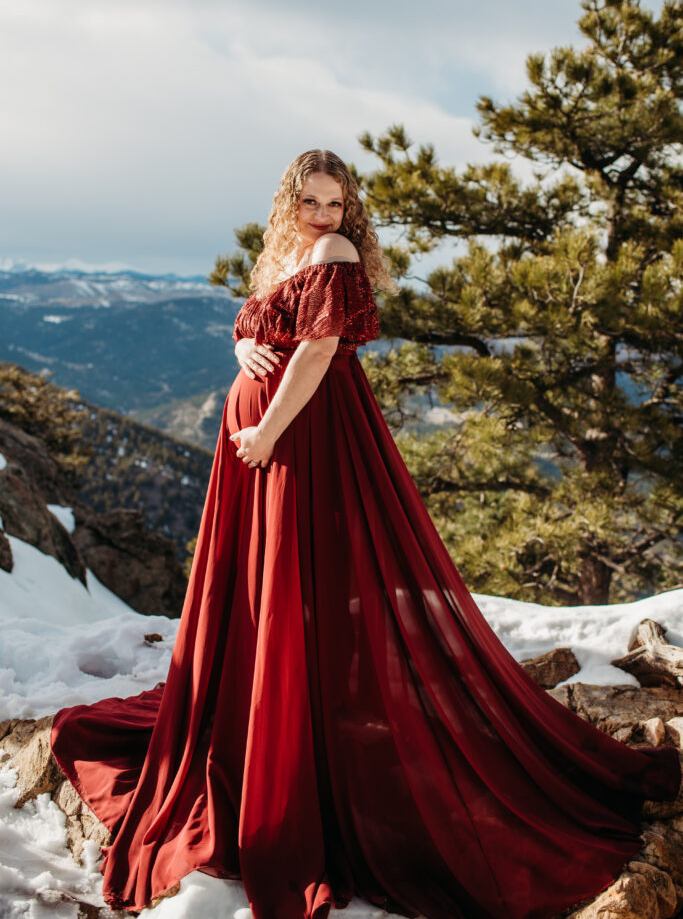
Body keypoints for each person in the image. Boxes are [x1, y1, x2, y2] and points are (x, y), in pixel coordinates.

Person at [50, 149, 681, 919]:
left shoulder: (333, 253)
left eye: (336, 203)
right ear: (290, 199)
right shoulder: (284, 250)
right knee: (266, 583)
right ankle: (274, 708)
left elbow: (315, 351)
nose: (325, 216)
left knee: (298, 577)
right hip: (266, 437)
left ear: (350, 209)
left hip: (301, 436)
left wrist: (269, 433)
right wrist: (239, 348)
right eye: (312, 202)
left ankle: (297, 730)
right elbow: (265, 327)